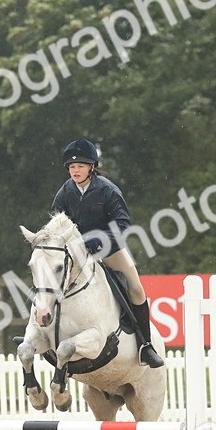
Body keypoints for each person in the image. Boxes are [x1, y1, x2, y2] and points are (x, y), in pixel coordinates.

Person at [50, 138, 165, 368]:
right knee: (50, 281)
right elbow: (55, 223)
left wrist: (96, 242)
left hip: (108, 249)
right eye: (72, 167)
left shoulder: (107, 190)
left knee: (136, 288)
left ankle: (145, 346)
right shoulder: (65, 192)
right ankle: (44, 334)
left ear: (91, 166)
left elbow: (122, 224)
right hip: (76, 254)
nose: (75, 171)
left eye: (80, 166)